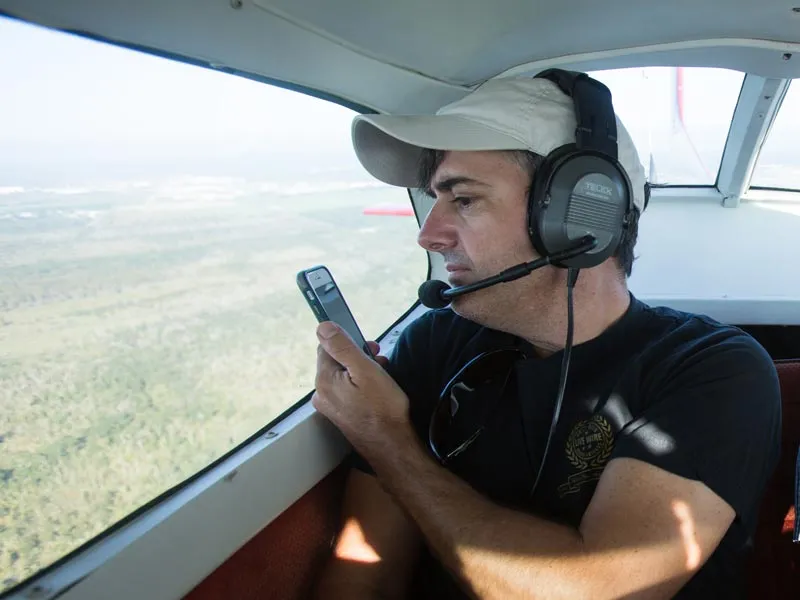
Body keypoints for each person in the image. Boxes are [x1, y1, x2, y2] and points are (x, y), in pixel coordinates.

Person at [309, 72, 781, 599]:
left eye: (463, 200)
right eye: (433, 200)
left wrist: (386, 440)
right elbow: (363, 575)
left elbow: (600, 592)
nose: (428, 234)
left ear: (581, 215)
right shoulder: (434, 344)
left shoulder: (713, 371)